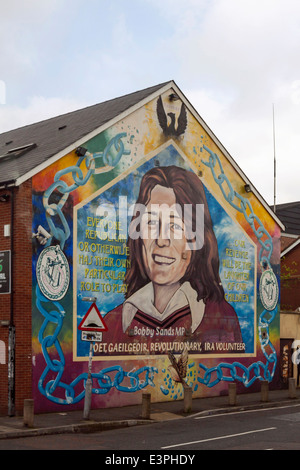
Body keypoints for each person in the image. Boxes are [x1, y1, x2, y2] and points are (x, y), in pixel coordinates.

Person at [102, 165, 243, 355]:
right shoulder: (114, 323)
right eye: (151, 222)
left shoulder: (220, 318)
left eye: (175, 225)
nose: (161, 240)